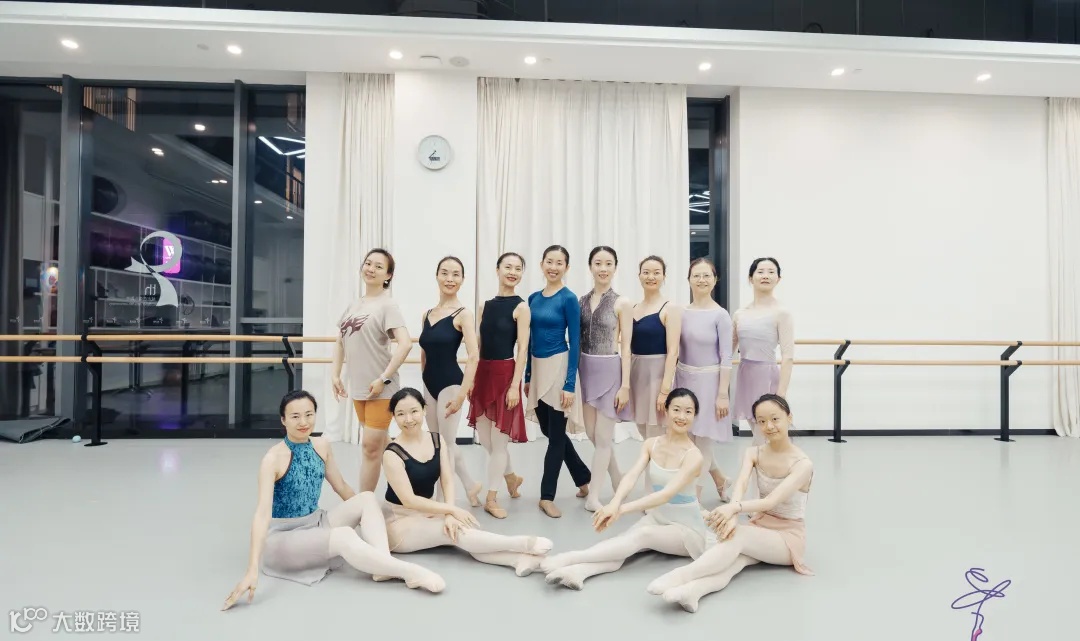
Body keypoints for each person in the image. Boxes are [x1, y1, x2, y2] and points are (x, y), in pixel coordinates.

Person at [222, 391, 444, 611]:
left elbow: (342, 487)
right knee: (345, 536)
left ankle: (382, 565)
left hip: (316, 523)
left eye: (309, 415)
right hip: (284, 538)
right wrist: (251, 569)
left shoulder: (321, 446)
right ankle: (410, 571)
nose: (303, 422)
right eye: (295, 416)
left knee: (367, 498)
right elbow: (262, 515)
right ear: (283, 420)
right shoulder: (272, 459)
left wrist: (371, 518)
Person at [644, 393, 813, 613]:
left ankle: (679, 576)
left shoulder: (802, 464)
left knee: (738, 536)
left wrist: (734, 509)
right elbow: (740, 485)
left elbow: (771, 501)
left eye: (775, 419)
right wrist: (732, 516)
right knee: (735, 562)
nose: (769, 426)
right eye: (761, 421)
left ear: (789, 417)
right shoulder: (754, 452)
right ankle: (693, 592)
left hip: (788, 538)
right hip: (760, 527)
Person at [539, 388, 711, 590]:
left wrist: (620, 510)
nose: (682, 416)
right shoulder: (651, 444)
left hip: (687, 530)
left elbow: (665, 494)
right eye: (676, 409)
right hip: (659, 518)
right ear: (666, 410)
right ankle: (579, 573)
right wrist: (615, 502)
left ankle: (570, 558)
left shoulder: (694, 456)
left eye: (688, 412)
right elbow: (631, 476)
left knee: (642, 536)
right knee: (624, 542)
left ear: (695, 416)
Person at [381, 388, 554, 576]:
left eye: (414, 411)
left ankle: (517, 560)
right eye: (401, 414)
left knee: (462, 529)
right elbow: (409, 500)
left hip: (429, 512)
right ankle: (522, 543)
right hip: (399, 522)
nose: (408, 419)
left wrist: (449, 513)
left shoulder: (436, 440)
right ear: (393, 417)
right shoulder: (392, 453)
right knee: (456, 532)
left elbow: (447, 480)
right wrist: (451, 510)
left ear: (424, 410)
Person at [331, 248, 412, 491]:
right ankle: (411, 484)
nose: (371, 269)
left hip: (381, 389)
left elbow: (405, 343)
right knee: (383, 444)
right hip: (359, 387)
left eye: (378, 266)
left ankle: (364, 502)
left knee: (370, 448)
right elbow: (340, 341)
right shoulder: (354, 305)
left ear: (388, 275)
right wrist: (335, 374)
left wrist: (383, 378)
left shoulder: (387, 305)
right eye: (368, 263)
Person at [525, 245, 591, 518]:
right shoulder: (532, 298)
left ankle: (546, 496)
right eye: (549, 262)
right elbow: (528, 339)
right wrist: (528, 375)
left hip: (559, 367)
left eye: (559, 263)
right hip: (538, 368)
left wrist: (569, 384)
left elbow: (575, 341)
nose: (553, 267)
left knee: (554, 437)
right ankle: (583, 477)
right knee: (551, 431)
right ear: (542, 264)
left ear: (566, 267)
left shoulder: (568, 299)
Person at [467, 252, 528, 519]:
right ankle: (511, 477)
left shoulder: (521, 307)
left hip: (505, 375)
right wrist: (471, 378)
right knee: (486, 440)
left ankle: (492, 498)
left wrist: (515, 386)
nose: (512, 272)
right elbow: (478, 345)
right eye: (508, 267)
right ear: (497, 269)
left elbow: (523, 349)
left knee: (499, 442)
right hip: (483, 373)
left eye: (518, 268)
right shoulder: (485, 306)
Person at [575, 246, 634, 512]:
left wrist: (625, 385)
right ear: (590, 267)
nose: (603, 268)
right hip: (586, 369)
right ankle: (618, 478)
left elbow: (627, 347)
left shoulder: (622, 303)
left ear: (615, 268)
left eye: (608, 263)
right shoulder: (581, 301)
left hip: (610, 370)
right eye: (598, 263)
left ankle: (594, 496)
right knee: (592, 434)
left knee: (603, 436)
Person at [419, 256, 481, 507]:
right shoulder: (426, 314)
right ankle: (471, 485)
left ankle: (444, 501)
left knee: (445, 446)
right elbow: (424, 353)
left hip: (451, 384)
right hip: (429, 385)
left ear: (462, 280)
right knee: (439, 444)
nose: (449, 279)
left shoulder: (463, 314)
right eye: (445, 273)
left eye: (456, 274)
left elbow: (474, 356)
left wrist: (462, 395)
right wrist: (424, 384)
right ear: (437, 276)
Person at [675, 258, 734, 501]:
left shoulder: (721, 315)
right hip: (684, 379)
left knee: (705, 441)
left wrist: (722, 394)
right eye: (696, 275)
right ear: (689, 280)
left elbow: (727, 356)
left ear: (715, 280)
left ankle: (694, 497)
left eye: (706, 275)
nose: (701, 280)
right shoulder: (681, 312)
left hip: (710, 382)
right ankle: (720, 479)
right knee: (689, 438)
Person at [732, 258, 794, 445]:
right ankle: (758, 463)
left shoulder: (782, 313)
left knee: (766, 435)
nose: (765, 275)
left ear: (778, 279)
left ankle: (760, 463)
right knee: (758, 434)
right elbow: (727, 351)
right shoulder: (740, 314)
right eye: (760, 271)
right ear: (751, 278)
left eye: (771, 272)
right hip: (746, 376)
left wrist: (781, 394)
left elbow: (788, 356)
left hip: (767, 378)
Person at [629, 255, 682, 440]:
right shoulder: (633, 308)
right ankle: (649, 460)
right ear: (639, 276)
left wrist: (664, 390)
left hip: (658, 376)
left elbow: (673, 351)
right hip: (637, 375)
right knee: (642, 430)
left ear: (664, 277)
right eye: (646, 272)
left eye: (656, 273)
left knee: (657, 432)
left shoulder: (670, 308)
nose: (651, 277)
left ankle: (658, 460)